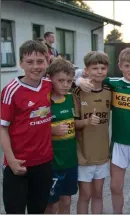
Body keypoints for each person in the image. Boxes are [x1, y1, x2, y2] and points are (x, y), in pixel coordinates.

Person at [77, 48, 130, 213]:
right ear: (120, 66)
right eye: (127, 65)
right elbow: (85, 75)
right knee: (115, 187)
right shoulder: (112, 83)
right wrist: (78, 80)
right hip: (118, 143)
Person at [1, 40, 53, 213]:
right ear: (20, 63)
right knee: (15, 210)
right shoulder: (11, 90)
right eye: (29, 62)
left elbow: (70, 78)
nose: (35, 67)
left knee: (38, 210)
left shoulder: (49, 85)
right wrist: (11, 160)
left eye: (40, 61)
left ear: (47, 62)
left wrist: (81, 80)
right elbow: (2, 128)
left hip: (44, 162)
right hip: (18, 164)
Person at [73, 51, 112, 214]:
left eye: (103, 68)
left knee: (98, 194)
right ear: (86, 70)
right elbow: (71, 123)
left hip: (102, 154)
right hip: (83, 154)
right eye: (95, 68)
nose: (99, 71)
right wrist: (87, 122)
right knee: (85, 195)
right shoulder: (77, 91)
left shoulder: (110, 89)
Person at [44, 59, 78, 214]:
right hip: (53, 163)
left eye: (69, 81)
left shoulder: (71, 98)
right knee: (51, 204)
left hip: (70, 161)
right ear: (50, 78)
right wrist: (52, 130)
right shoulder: (44, 102)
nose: (65, 84)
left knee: (67, 200)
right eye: (61, 81)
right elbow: (33, 127)